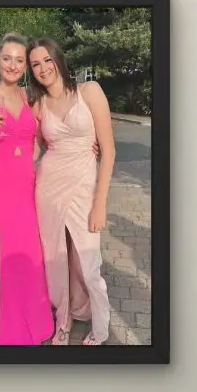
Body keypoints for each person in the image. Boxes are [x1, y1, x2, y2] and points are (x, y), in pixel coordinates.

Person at [0, 35, 53, 346]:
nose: (13, 65)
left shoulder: (32, 97)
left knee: (25, 255)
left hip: (25, 187)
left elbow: (45, 136)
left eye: (19, 60)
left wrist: (81, 146)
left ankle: (29, 320)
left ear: (25, 65)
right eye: (7, 58)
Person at [28, 39, 114, 345]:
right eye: (35, 64)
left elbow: (110, 150)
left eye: (47, 60)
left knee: (88, 264)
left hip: (84, 187)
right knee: (55, 258)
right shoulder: (38, 106)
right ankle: (62, 320)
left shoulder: (89, 91)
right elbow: (33, 148)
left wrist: (100, 203)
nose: (43, 68)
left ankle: (101, 328)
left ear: (58, 60)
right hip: (48, 188)